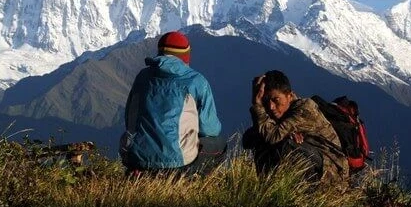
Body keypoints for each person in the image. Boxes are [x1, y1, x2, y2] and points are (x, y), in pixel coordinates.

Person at [119, 31, 225, 175]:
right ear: (186, 55)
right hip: (178, 163)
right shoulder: (197, 81)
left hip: (138, 159)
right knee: (219, 143)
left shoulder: (142, 77)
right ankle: (192, 178)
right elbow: (210, 129)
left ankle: (141, 173)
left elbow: (130, 119)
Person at [243, 70, 348, 184]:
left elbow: (272, 137)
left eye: (276, 100)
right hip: (316, 163)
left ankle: (306, 194)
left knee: (286, 145)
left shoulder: (304, 108)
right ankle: (268, 187)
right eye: (266, 101)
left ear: (289, 95)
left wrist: (257, 105)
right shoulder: (275, 114)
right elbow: (247, 140)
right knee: (260, 141)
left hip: (331, 172)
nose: (271, 106)